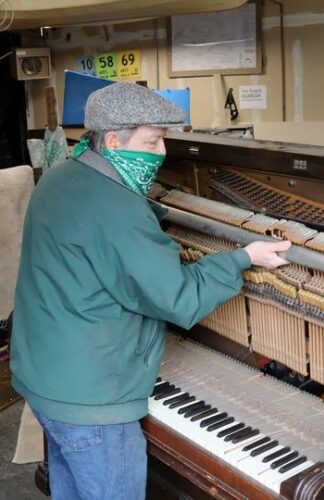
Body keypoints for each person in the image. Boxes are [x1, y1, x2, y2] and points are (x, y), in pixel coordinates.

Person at [10, 82, 291, 500]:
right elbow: (180, 297)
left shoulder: (61, 176)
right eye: (152, 140)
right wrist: (242, 258)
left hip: (44, 376)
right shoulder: (116, 208)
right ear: (111, 140)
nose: (161, 152)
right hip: (92, 400)